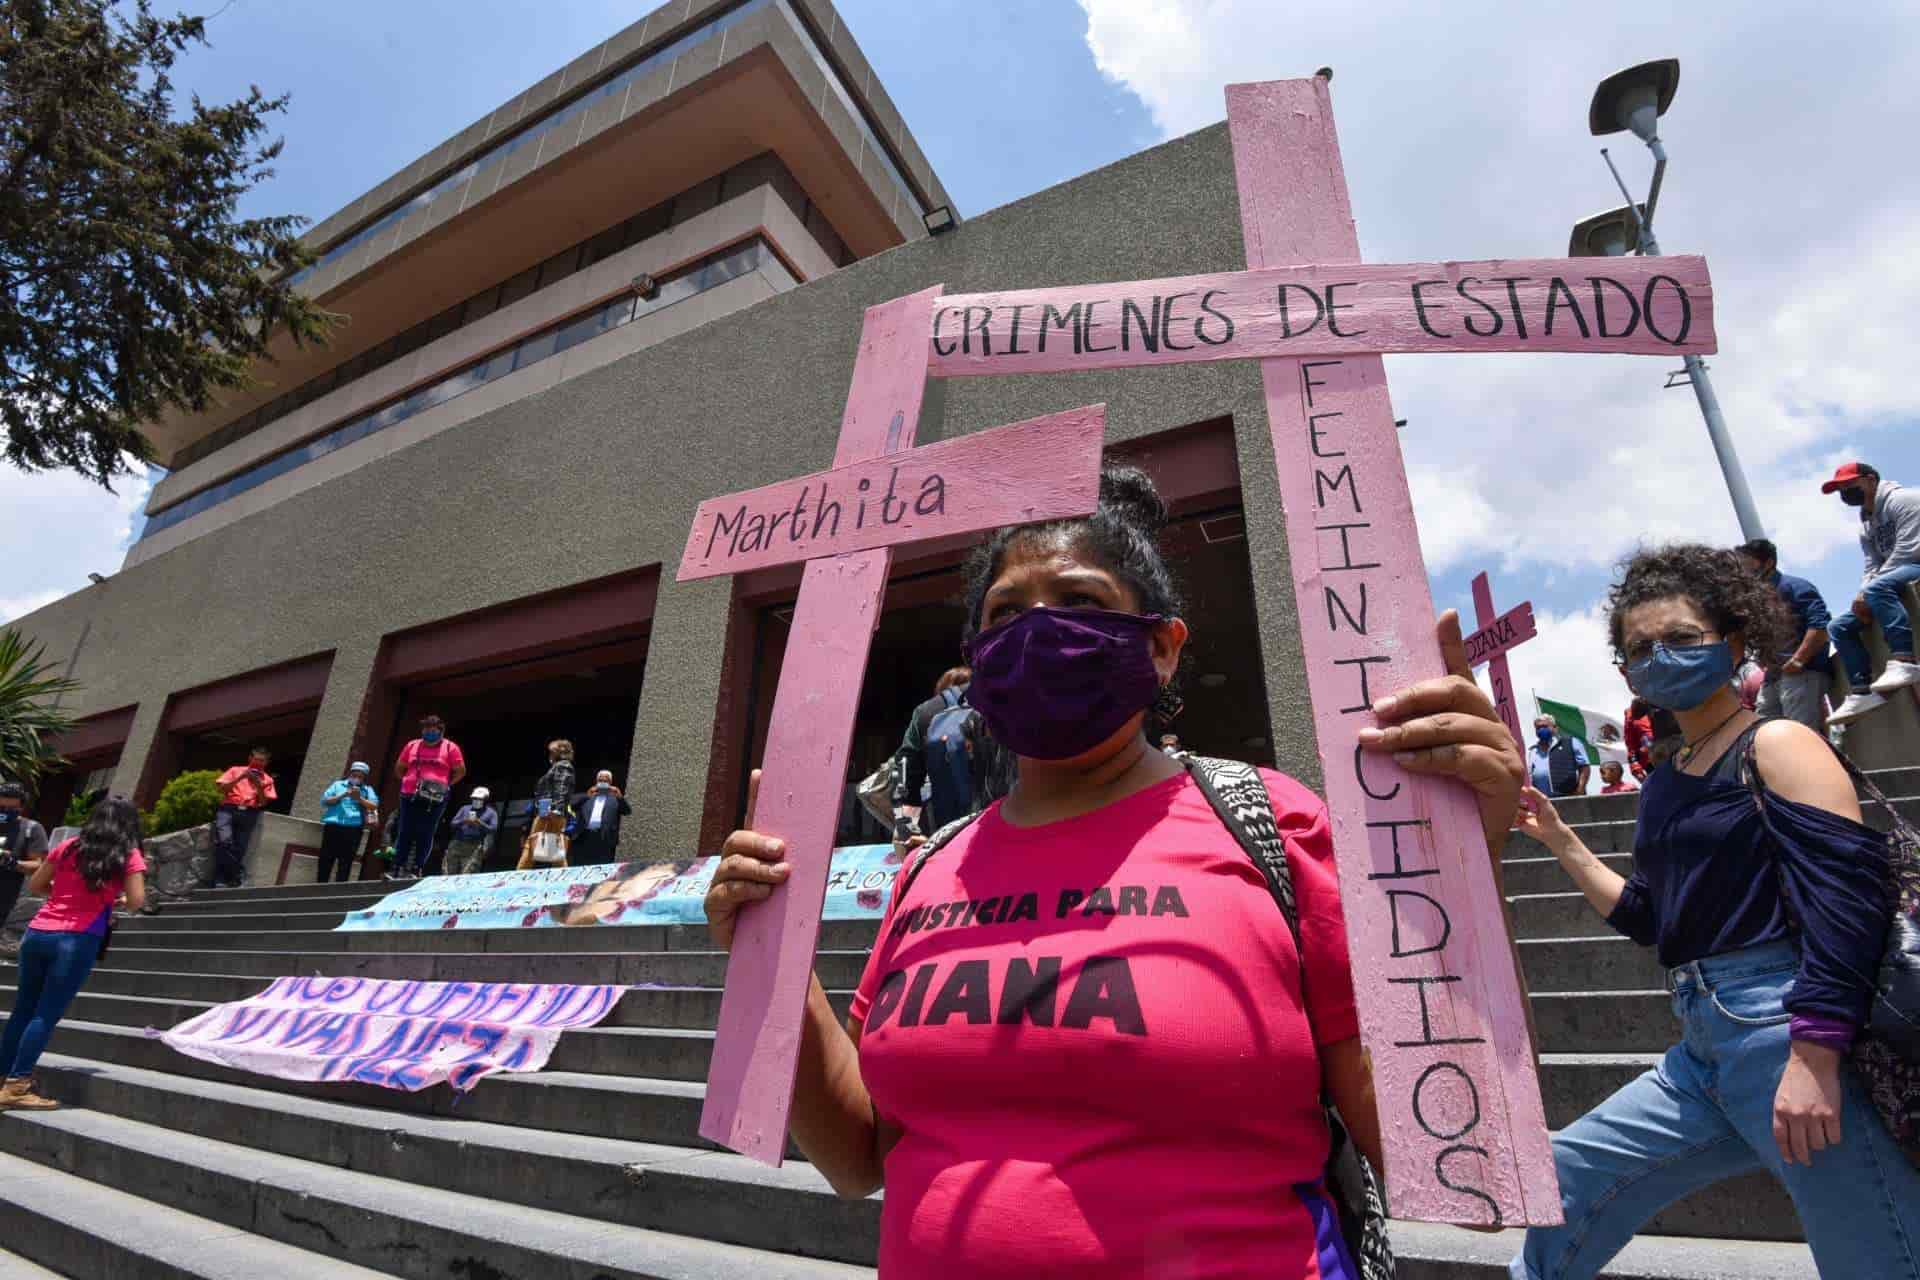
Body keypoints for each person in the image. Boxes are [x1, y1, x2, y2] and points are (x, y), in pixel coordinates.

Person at [703, 465, 1529, 1278]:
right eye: (1006, 613)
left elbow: (1448, 1149)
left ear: (1165, 649)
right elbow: (856, 1158)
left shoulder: (1276, 825)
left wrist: (1462, 874)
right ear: (977, 661)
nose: (1037, 629)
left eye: (1081, 602)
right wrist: (773, 952)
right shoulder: (931, 869)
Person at [1510, 544, 1918, 1279]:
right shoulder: (1668, 780)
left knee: (1874, 1254)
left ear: (1733, 642)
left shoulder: (1779, 742)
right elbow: (1654, 920)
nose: (1657, 658)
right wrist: (1562, 841)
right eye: (1639, 648)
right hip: (1700, 1048)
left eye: (1681, 639)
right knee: (1572, 1173)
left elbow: (1848, 903)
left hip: (1784, 1023)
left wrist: (1815, 1055)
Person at [0, 796, 147, 1110]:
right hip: (77, 939)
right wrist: (110, 901)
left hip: (37, 933)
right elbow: (136, 901)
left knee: (23, 1009)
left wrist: (67, 893)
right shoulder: (127, 853)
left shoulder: (68, 846)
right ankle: (17, 1085)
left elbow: (38, 885)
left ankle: (3, 1078)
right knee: (45, 1013)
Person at [1822, 462, 1920, 723]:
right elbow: (1871, 564)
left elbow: (1908, 551)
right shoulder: (1865, 524)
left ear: (1871, 479)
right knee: (1839, 626)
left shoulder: (1905, 500)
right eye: (1840, 488)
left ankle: (1904, 660)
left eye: (1849, 484)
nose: (1845, 491)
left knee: (1877, 588)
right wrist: (1861, 594)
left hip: (1915, 563)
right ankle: (1861, 691)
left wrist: (1871, 589)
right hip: (1893, 576)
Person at [1734, 538, 1832, 733]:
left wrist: (1797, 661)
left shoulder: (1796, 587)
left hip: (1801, 673)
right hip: (1773, 676)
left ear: (1768, 563)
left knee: (1801, 735)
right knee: (1766, 732)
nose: (1744, 570)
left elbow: (1820, 627)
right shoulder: (1758, 600)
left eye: (1748, 563)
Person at [889, 666, 976, 845]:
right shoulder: (1002, 697)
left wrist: (906, 828)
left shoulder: (926, 712)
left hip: (949, 833)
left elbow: (905, 771)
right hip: (1008, 824)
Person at [389, 715, 465, 880]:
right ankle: (397, 867)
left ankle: (417, 868)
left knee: (425, 832)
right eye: (426, 728)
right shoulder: (412, 745)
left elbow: (460, 770)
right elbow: (399, 767)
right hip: (410, 793)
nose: (429, 732)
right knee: (405, 830)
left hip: (435, 796)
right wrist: (408, 781)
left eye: (433, 729)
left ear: (440, 730)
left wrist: (446, 785)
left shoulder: (450, 747)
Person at [211, 747, 276, 888]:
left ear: (266, 763)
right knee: (225, 841)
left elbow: (264, 802)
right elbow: (222, 789)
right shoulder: (235, 770)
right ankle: (234, 874)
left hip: (249, 812)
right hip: (228, 809)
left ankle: (223, 879)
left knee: (240, 847)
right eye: (256, 759)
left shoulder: (268, 779)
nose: (259, 763)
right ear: (250, 758)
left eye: (262, 761)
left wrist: (259, 785)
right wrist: (241, 777)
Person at [518, 739, 576, 870]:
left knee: (534, 844)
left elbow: (561, 788)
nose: (549, 754)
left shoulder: (563, 766)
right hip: (548, 812)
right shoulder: (559, 766)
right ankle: (562, 876)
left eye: (551, 751)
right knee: (553, 849)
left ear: (557, 752)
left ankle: (519, 874)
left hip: (550, 812)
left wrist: (555, 810)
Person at [316, 762, 377, 884]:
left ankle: (338, 891)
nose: (356, 778)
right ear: (350, 774)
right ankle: (319, 887)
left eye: (360, 776)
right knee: (325, 860)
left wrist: (359, 798)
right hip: (333, 827)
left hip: (353, 830)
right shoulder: (338, 785)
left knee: (346, 863)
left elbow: (374, 805)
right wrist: (344, 794)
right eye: (354, 775)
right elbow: (324, 801)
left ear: (364, 778)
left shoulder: (367, 790)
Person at [0, 782, 49, 927]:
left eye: (11, 809)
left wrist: (10, 862)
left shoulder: (31, 829)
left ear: (21, 808)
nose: (4, 812)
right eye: (1, 807)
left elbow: (39, 865)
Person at [569, 771, 632, 866]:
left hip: (604, 838)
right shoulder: (588, 796)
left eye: (606, 780)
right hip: (584, 836)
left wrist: (619, 796)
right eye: (600, 780)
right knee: (580, 864)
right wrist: (587, 794)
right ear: (596, 781)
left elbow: (627, 811)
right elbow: (571, 805)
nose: (603, 782)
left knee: (602, 866)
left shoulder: (614, 799)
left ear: (610, 783)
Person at [1528, 714, 1590, 798]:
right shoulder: (1533, 751)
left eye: (1544, 726)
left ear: (1555, 728)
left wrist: (1580, 790)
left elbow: (1584, 767)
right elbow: (1530, 776)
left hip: (1570, 798)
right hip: (1544, 801)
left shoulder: (1571, 742)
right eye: (1538, 728)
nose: (1541, 729)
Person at [444, 787, 498, 876]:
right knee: (448, 872)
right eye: (474, 798)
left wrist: (479, 822)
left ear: (485, 799)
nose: (476, 800)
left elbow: (493, 829)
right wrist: (464, 821)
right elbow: (453, 823)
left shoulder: (491, 813)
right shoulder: (464, 808)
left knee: (468, 873)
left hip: (474, 846)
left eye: (479, 799)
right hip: (456, 843)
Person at [1622, 697, 1654, 781]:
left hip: (1677, 755)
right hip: (1651, 763)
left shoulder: (1669, 702)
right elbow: (1631, 744)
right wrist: (1635, 767)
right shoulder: (1631, 714)